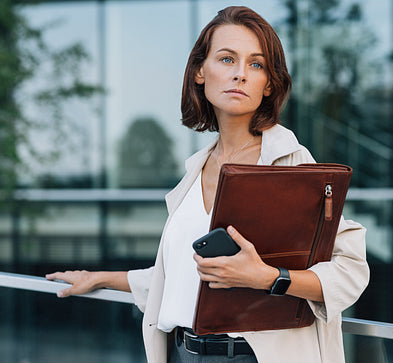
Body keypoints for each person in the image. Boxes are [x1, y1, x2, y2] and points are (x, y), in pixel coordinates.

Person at [46, 6, 369, 363]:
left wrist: (268, 278)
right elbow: (182, 275)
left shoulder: (288, 162)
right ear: (200, 71)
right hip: (184, 352)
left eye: (256, 64)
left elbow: (351, 270)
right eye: (227, 59)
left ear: (269, 85)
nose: (241, 75)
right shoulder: (196, 170)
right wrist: (101, 278)